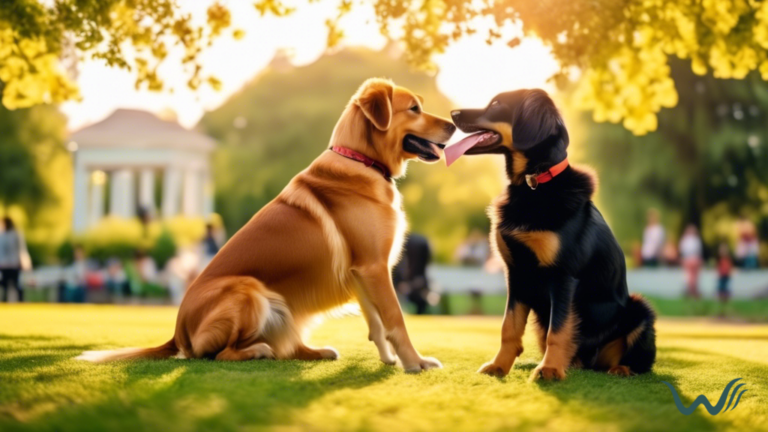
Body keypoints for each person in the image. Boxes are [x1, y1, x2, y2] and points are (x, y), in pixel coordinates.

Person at [393, 233, 433, 315]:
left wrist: (409, 285)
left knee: (422, 301)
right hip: (404, 288)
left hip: (412, 289)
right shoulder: (400, 267)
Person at [0, 217, 31, 302]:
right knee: (8, 285)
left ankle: (19, 301)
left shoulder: (15, 234)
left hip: (12, 264)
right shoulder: (3, 235)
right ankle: (8, 301)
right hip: (7, 264)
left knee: (15, 285)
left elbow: (21, 249)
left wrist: (24, 262)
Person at [678, 224, 703, 298]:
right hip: (689, 259)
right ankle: (690, 291)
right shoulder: (691, 239)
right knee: (689, 277)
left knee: (693, 277)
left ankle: (693, 291)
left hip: (693, 259)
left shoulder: (691, 239)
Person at [717, 243, 733, 317]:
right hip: (721, 276)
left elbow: (729, 268)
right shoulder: (720, 259)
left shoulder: (728, 259)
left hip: (726, 276)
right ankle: (721, 305)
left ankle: (725, 304)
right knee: (721, 289)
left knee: (725, 289)